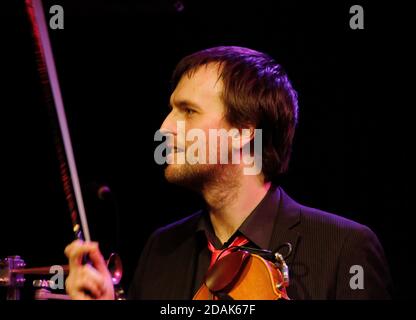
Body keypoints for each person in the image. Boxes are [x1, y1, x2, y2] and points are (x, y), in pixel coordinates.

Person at [64, 46, 392, 300]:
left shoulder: (343, 248)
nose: (164, 128)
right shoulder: (161, 249)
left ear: (245, 131)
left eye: (188, 112)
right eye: (171, 111)